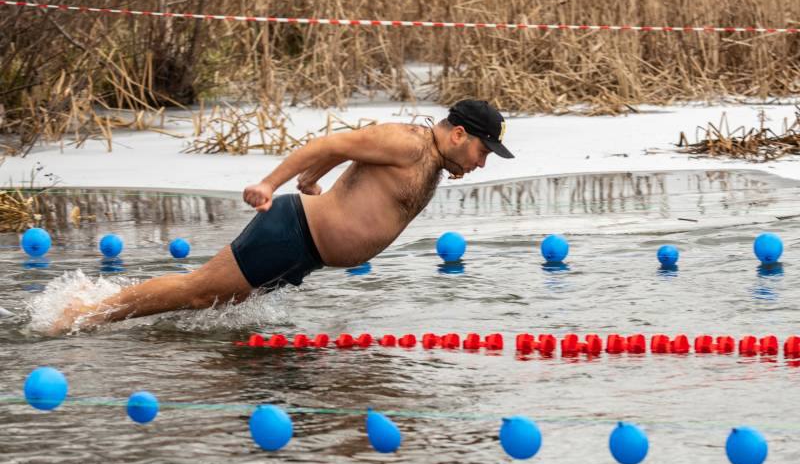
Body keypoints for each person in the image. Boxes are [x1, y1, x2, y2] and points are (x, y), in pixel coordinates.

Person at [51, 99, 513, 333]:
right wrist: (271, 184)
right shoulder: (408, 142)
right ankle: (87, 314)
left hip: (304, 251)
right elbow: (331, 143)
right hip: (290, 233)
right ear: (457, 133)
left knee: (215, 304)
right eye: (482, 150)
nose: (482, 162)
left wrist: (315, 181)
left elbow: (346, 162)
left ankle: (104, 304)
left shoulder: (431, 159)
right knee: (196, 294)